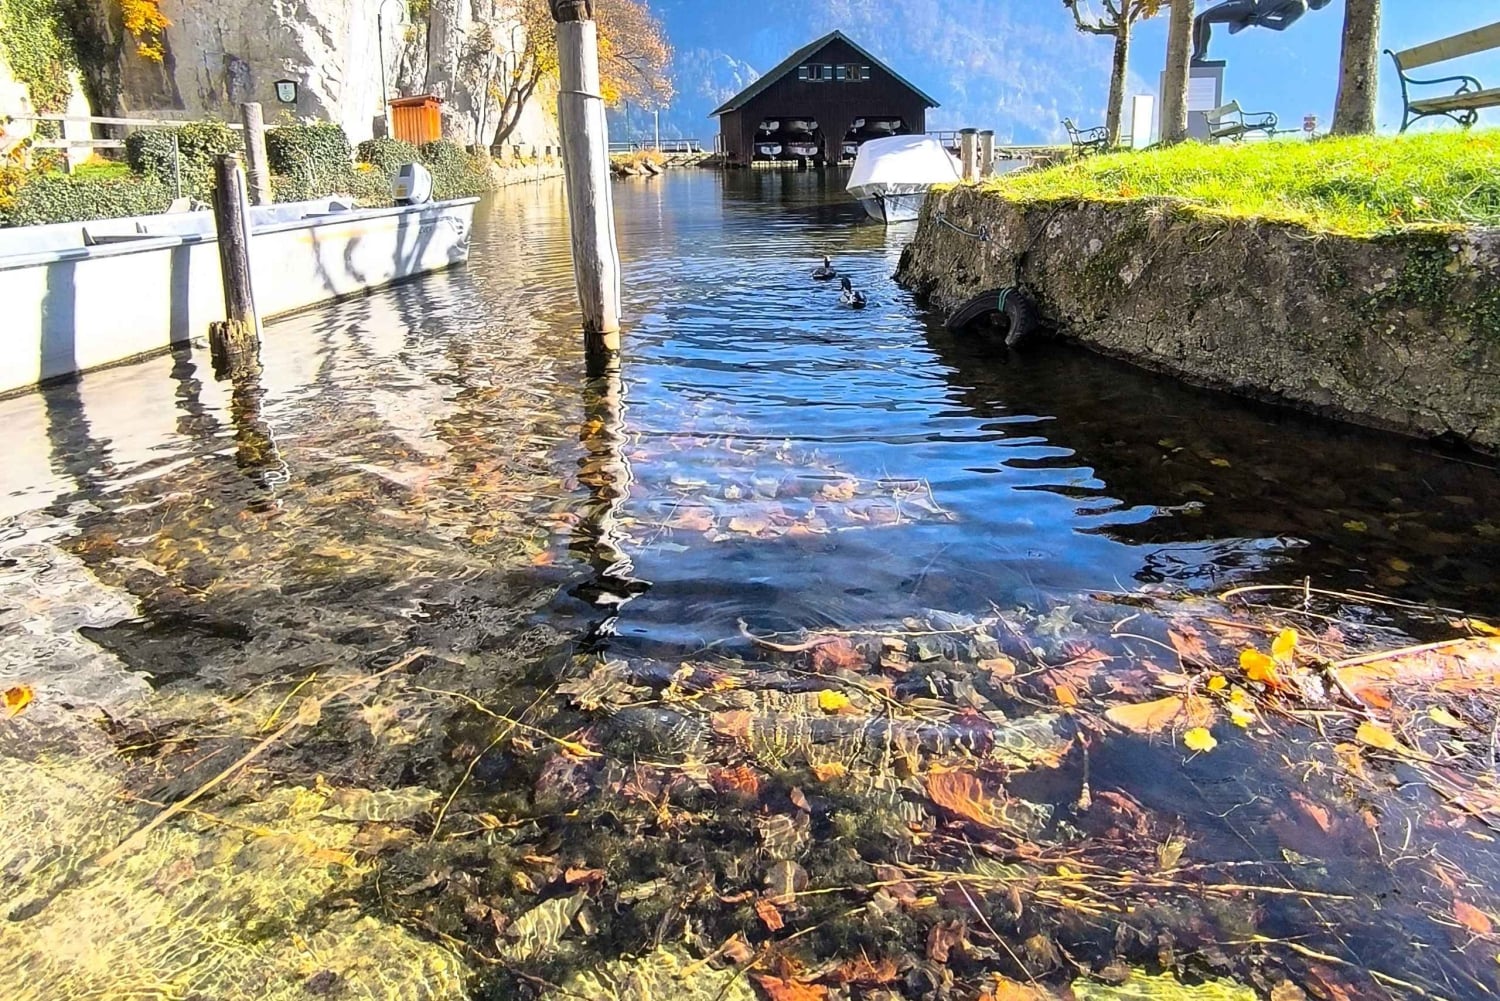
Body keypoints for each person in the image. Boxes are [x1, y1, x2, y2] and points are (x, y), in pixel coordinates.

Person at [1192, 0, 1334, 63]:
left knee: (1204, 19)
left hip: (1250, 7)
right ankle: (1199, 55)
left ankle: (1201, 55)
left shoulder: (1301, 5)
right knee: (1200, 20)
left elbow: (1282, 25)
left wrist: (1259, 20)